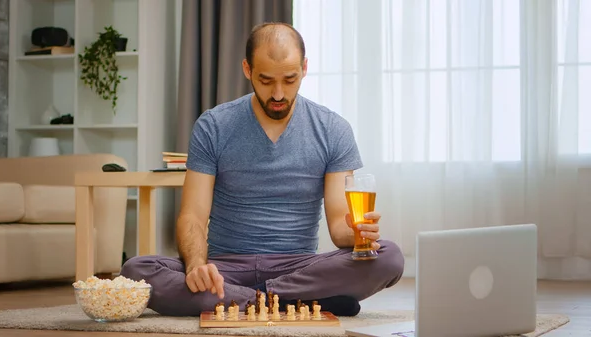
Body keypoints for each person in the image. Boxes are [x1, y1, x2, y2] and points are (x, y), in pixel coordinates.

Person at [120, 22, 404, 317]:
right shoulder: (214, 125)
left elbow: (338, 228)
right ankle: (298, 303)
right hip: (225, 269)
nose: (279, 94)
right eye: (266, 80)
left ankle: (253, 301)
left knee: (389, 256)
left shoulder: (333, 129)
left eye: (290, 79)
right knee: (136, 270)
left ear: (305, 68)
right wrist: (197, 267)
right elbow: (192, 215)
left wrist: (358, 233)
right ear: (247, 69)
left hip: (298, 269)